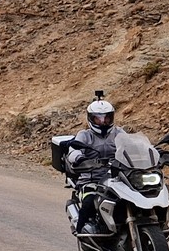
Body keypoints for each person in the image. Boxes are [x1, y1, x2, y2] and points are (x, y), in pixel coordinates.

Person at [50, 93, 121, 236]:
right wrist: (79, 158)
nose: (103, 122)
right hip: (91, 179)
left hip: (116, 177)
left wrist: (150, 152)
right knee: (89, 202)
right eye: (98, 118)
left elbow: (132, 146)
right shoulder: (85, 135)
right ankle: (81, 231)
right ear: (91, 118)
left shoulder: (118, 132)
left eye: (106, 118)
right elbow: (73, 150)